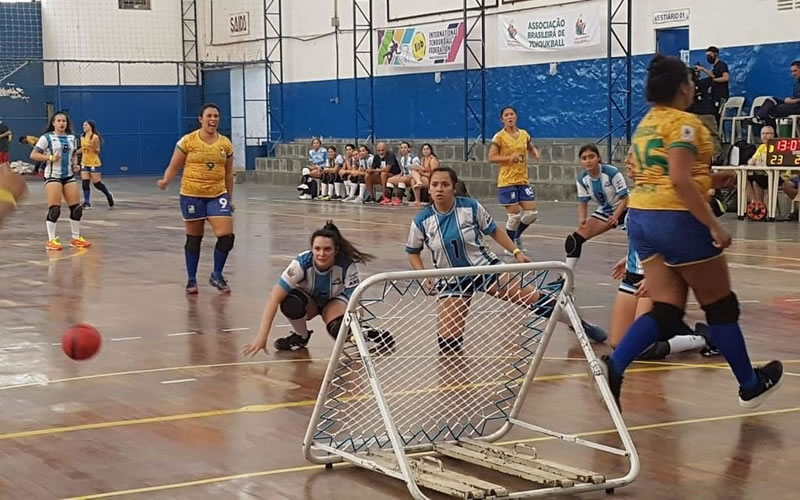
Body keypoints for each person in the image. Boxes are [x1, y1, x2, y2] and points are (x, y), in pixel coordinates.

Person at [601, 55, 782, 411]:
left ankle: (616, 366)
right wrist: (715, 225)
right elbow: (680, 179)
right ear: (685, 87)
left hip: (641, 217)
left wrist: (711, 179)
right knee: (720, 305)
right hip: (676, 218)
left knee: (667, 308)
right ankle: (749, 384)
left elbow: (660, 173)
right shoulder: (686, 124)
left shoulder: (646, 124)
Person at [406, 167, 606, 352]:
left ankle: (578, 323)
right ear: (429, 189)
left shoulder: (471, 207)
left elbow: (495, 231)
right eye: (435, 185)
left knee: (531, 298)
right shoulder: (421, 220)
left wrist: (516, 251)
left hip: (483, 270)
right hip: (451, 278)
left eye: (445, 184)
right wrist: (423, 275)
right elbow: (413, 251)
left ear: (453, 187)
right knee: (448, 344)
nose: (439, 189)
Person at [241, 221, 375, 355]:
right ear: (312, 249)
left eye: (327, 249)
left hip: (334, 303)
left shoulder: (346, 265)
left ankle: (365, 333)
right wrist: (262, 337)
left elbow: (356, 302)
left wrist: (357, 327)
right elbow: (274, 298)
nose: (321, 254)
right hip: (309, 302)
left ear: (336, 250)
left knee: (339, 329)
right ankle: (301, 336)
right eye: (317, 249)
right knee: (289, 301)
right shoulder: (301, 263)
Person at [157, 103, 235, 294]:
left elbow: (228, 172)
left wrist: (229, 198)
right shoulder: (188, 141)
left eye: (216, 116)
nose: (213, 119)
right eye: (209, 116)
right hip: (192, 195)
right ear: (201, 119)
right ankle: (191, 279)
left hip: (217, 194)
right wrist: (166, 180)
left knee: (226, 237)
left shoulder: (225, 143)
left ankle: (217, 274)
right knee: (194, 239)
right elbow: (174, 165)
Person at [29, 111, 91, 251]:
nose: (62, 123)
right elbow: (34, 154)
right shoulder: (47, 138)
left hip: (68, 175)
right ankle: (51, 240)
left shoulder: (72, 138)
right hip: (53, 175)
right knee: (55, 209)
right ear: (53, 123)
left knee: (76, 209)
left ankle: (75, 238)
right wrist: (49, 158)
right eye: (59, 121)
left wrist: (75, 164)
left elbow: (74, 153)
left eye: (64, 121)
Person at [564, 144, 629, 271]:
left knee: (640, 242)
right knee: (574, 240)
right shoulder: (583, 179)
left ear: (598, 158)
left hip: (627, 209)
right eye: (584, 158)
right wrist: (582, 219)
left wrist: (616, 217)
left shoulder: (611, 172)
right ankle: (567, 279)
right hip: (606, 212)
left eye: (591, 157)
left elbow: (625, 198)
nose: (588, 161)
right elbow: (583, 202)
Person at [488, 106, 541, 252]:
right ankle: (510, 246)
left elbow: (530, 146)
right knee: (514, 217)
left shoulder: (524, 134)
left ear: (516, 117)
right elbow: (491, 157)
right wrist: (507, 158)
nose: (509, 117)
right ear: (502, 119)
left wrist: (535, 152)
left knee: (532, 214)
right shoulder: (499, 137)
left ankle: (517, 235)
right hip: (507, 181)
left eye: (512, 114)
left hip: (522, 180)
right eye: (506, 115)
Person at [750, 61, 800, 128]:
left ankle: (772, 134)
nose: (793, 74)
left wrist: (795, 101)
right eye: (791, 72)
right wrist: (790, 99)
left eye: (795, 71)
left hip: (798, 106)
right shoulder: (797, 83)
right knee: (771, 100)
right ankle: (758, 118)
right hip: (794, 103)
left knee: (771, 110)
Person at [79, 120, 114, 210]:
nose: (84, 126)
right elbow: (82, 149)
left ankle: (108, 194)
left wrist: (92, 147)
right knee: (85, 182)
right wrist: (75, 152)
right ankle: (87, 202)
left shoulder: (94, 137)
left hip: (93, 162)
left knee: (97, 183)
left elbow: (98, 150)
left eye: (86, 125)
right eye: (83, 125)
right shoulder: (82, 137)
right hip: (84, 162)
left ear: (90, 126)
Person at [745, 126, 775, 209]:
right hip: (763, 173)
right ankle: (755, 202)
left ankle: (760, 206)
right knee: (743, 179)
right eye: (763, 134)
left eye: (768, 134)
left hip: (775, 175)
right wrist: (753, 161)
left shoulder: (776, 146)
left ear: (773, 135)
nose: (765, 136)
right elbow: (751, 160)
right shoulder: (761, 147)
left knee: (756, 182)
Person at [384, 141, 417, 206]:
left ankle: (399, 200)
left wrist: (409, 176)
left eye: (405, 147)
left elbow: (417, 170)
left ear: (409, 149)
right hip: (405, 176)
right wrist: (399, 175)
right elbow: (403, 170)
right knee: (390, 180)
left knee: (401, 180)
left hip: (412, 177)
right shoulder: (402, 158)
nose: (403, 149)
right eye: (402, 148)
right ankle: (387, 198)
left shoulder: (413, 158)